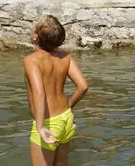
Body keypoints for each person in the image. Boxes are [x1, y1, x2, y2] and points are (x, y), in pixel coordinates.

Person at [24, 15, 89, 166]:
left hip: (47, 122)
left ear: (35, 37)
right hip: (65, 118)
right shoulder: (66, 58)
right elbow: (83, 86)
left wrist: (40, 126)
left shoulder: (31, 60)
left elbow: (39, 93)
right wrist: (70, 106)